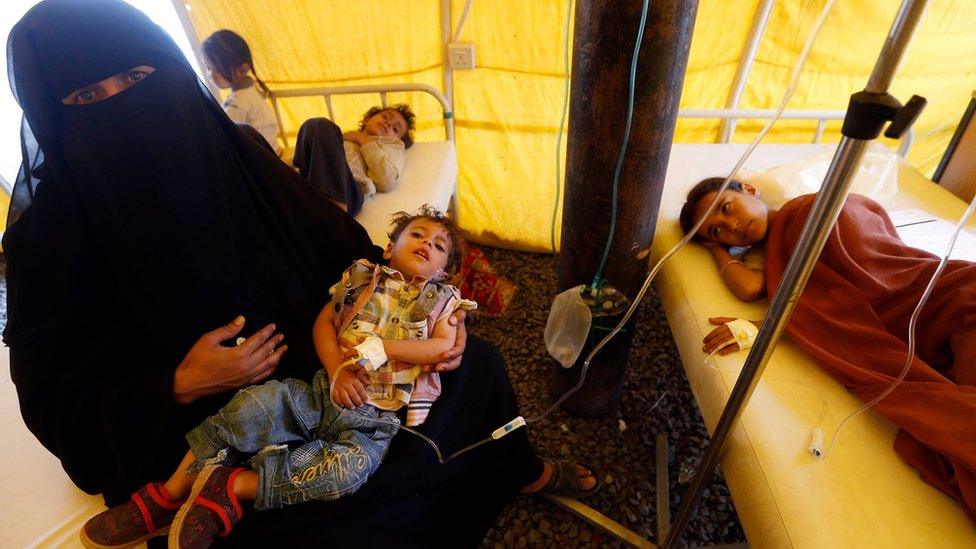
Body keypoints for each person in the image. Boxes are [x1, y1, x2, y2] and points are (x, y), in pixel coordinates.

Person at [5, 1, 595, 546]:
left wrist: (434, 320)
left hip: (336, 363)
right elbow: (56, 404)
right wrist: (178, 384)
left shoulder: (235, 150)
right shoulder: (48, 237)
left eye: (135, 78)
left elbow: (344, 247)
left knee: (482, 364)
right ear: (53, 118)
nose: (121, 104)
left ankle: (517, 469)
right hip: (193, 423)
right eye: (85, 97)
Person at [80, 206, 477, 547]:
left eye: (439, 246)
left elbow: (441, 347)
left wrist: (385, 348)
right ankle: (170, 494)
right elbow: (324, 323)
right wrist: (337, 369)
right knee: (255, 405)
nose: (427, 243)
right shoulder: (360, 279)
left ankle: (232, 486)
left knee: (347, 471)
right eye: (417, 234)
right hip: (323, 391)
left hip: (372, 421)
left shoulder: (441, 302)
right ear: (390, 247)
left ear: (445, 271)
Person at [680, 177, 976, 520]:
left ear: (748, 188)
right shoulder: (769, 254)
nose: (733, 226)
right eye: (718, 231)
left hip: (952, 300)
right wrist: (717, 248)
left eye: (726, 208)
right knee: (946, 434)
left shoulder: (813, 211)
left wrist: (769, 326)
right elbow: (749, 289)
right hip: (929, 334)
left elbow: (871, 275)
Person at [292, 104, 415, 217]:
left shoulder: (391, 145)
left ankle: (336, 215)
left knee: (322, 125)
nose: (388, 123)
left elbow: (386, 181)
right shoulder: (338, 136)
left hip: (348, 191)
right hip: (309, 182)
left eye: (395, 129)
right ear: (367, 119)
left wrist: (364, 140)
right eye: (385, 116)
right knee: (315, 125)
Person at [201, 29, 280, 153]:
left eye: (217, 68)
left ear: (242, 69)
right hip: (272, 151)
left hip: (261, 161)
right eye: (208, 68)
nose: (211, 75)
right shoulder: (250, 89)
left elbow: (222, 135)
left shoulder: (238, 104)